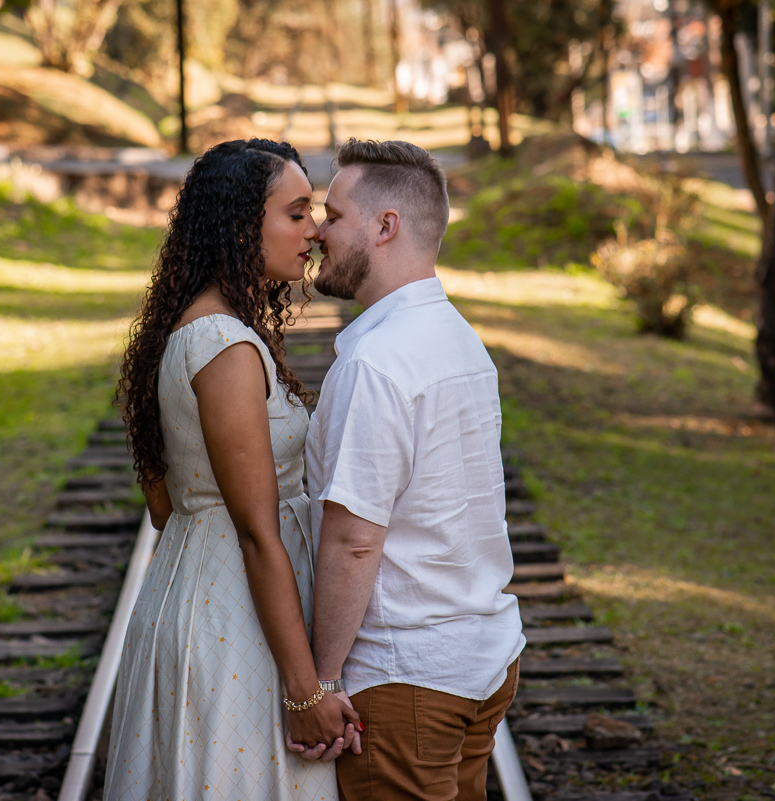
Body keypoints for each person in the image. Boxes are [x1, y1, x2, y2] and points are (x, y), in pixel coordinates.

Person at [104, 138, 360, 801]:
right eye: (297, 212)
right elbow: (254, 529)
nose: (314, 230)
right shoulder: (225, 344)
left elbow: (168, 506)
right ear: (243, 223)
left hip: (201, 585)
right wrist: (306, 693)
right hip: (233, 616)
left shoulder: (196, 328)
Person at [300, 138, 526, 801]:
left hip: (405, 677)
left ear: (385, 226)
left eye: (334, 215)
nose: (318, 231)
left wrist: (321, 682)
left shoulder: (375, 364)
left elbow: (353, 539)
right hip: (481, 657)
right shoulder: (459, 338)